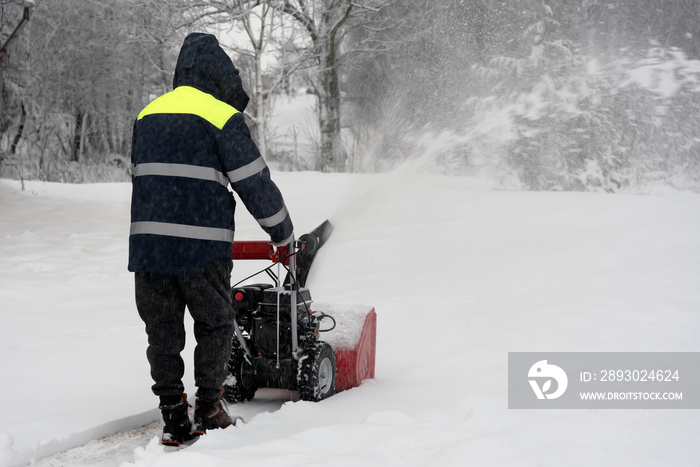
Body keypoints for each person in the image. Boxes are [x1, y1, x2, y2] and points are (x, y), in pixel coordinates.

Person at [128, 33, 294, 445]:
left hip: (149, 248)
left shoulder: (148, 114)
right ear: (220, 75)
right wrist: (283, 233)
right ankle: (209, 407)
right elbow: (254, 183)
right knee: (216, 323)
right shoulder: (221, 116)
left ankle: (172, 416)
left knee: (162, 332)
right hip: (202, 249)